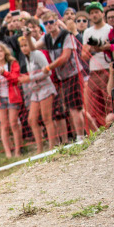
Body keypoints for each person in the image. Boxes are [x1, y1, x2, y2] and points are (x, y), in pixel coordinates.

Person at [28, 11, 87, 142]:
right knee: (74, 108)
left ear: (57, 22)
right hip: (62, 77)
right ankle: (92, 131)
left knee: (75, 108)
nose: (49, 25)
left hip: (74, 74)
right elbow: (33, 48)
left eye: (51, 22)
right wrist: (27, 37)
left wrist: (48, 67)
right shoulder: (47, 38)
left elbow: (65, 58)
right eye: (46, 23)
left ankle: (81, 137)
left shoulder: (66, 35)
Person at [17, 37, 58, 153]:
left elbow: (48, 71)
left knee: (47, 118)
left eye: (26, 45)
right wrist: (28, 79)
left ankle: (52, 147)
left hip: (45, 88)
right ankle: (40, 149)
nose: (24, 48)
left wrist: (29, 78)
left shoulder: (38, 54)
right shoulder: (27, 58)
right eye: (22, 46)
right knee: (32, 119)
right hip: (35, 90)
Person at [0, 43, 23, 157]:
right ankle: (8, 152)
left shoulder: (12, 63)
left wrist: (5, 74)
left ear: (5, 52)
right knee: (4, 125)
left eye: (0, 51)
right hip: (0, 98)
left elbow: (16, 79)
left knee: (14, 123)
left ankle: (18, 150)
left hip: (12, 97)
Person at [82, 2, 112, 127]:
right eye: (91, 13)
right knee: (95, 105)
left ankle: (111, 125)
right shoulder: (87, 32)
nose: (94, 15)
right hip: (93, 71)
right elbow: (83, 55)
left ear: (102, 13)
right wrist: (90, 49)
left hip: (107, 68)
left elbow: (112, 48)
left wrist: (100, 47)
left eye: (96, 12)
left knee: (109, 101)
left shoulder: (109, 29)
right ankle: (100, 130)